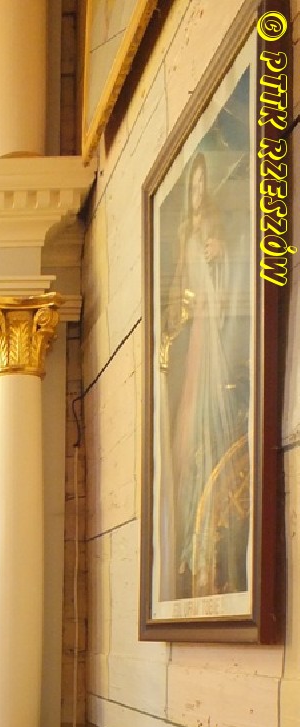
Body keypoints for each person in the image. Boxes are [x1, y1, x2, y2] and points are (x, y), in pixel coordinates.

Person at [161, 150, 247, 599]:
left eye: (200, 185)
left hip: (210, 331)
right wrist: (176, 309)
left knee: (206, 408)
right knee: (189, 414)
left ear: (208, 189)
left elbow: (228, 277)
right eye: (191, 186)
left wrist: (221, 256)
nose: (195, 193)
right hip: (193, 330)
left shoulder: (213, 230)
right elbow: (179, 285)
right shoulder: (184, 235)